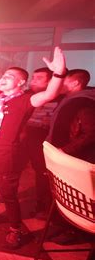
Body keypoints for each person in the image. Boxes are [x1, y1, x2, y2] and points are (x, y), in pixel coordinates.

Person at [0, 46, 66, 249]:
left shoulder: (25, 100)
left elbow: (49, 95)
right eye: (3, 75)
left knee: (8, 193)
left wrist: (59, 73)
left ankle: (16, 229)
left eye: (9, 76)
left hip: (6, 152)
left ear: (20, 82)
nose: (3, 78)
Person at [45, 69, 94, 245]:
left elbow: (90, 134)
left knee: (78, 196)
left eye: (64, 81)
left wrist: (65, 150)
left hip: (81, 159)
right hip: (72, 156)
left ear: (75, 83)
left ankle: (75, 231)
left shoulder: (85, 104)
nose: (60, 84)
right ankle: (64, 226)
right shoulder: (73, 100)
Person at [20, 67, 59, 217]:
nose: (33, 81)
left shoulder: (58, 99)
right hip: (25, 136)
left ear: (50, 81)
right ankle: (9, 194)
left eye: (39, 78)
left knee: (42, 173)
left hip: (42, 140)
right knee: (15, 167)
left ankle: (42, 205)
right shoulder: (28, 96)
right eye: (33, 77)